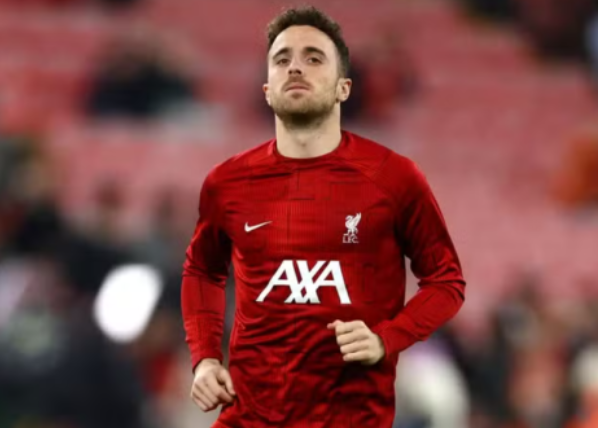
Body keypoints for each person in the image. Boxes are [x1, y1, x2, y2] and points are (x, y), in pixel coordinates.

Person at [180, 6, 466, 428]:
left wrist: (386, 338)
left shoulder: (393, 178)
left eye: (313, 58)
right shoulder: (227, 182)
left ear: (343, 88)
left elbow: (446, 282)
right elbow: (202, 270)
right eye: (282, 59)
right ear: (267, 89)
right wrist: (205, 358)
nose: (295, 67)